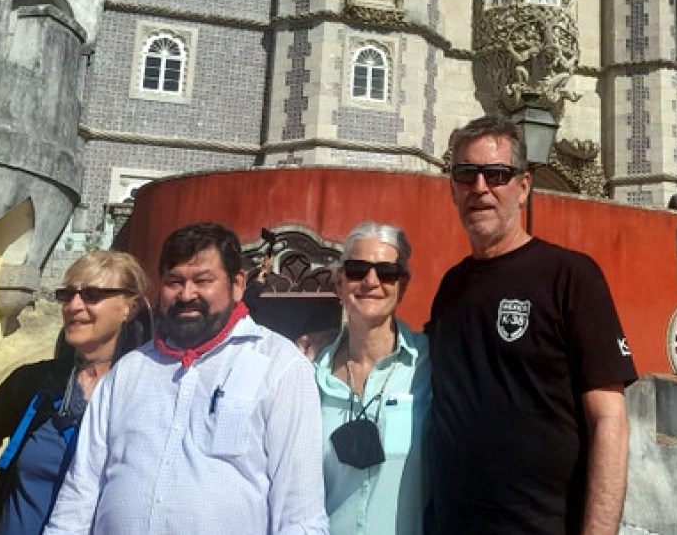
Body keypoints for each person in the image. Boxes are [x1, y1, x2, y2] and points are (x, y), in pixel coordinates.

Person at [425, 116, 638, 535]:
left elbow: (609, 420)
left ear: (523, 188)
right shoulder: (450, 287)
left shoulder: (571, 277)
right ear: (453, 188)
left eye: (497, 174)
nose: (480, 188)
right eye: (466, 174)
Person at [43, 222, 328, 535]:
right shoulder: (130, 371)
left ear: (237, 284)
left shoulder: (279, 365)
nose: (187, 294)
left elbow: (300, 512)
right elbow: (80, 490)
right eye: (174, 281)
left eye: (203, 280)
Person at [0, 252, 149, 535]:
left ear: (131, 305)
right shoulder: (37, 383)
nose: (74, 305)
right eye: (67, 295)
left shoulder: (149, 394)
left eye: (92, 294)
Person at [315, 222, 429, 535]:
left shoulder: (430, 366)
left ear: (402, 285)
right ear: (339, 284)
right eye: (356, 269)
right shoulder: (309, 373)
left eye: (387, 272)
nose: (371, 281)